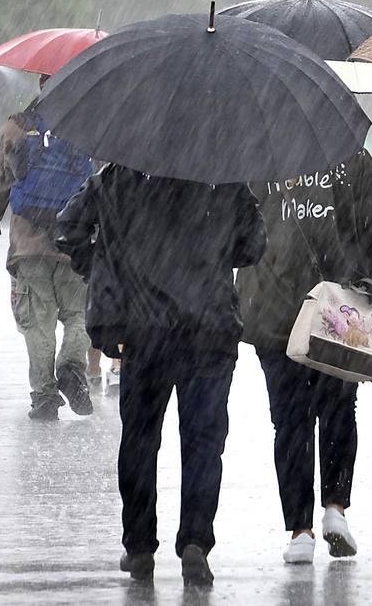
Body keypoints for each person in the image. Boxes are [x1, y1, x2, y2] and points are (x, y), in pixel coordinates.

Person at [57, 165, 266, 587]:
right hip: (208, 330)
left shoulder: (119, 174)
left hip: (143, 330)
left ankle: (138, 547)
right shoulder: (221, 176)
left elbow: (68, 229)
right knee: (204, 444)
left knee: (139, 440)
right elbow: (253, 245)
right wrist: (211, 250)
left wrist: (105, 266)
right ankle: (194, 543)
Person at [238, 150, 372, 565]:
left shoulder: (258, 157)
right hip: (338, 309)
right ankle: (335, 510)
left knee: (288, 419)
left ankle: (300, 531)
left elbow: (235, 232)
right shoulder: (350, 156)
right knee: (339, 407)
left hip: (273, 307)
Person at [0, 86, 97, 420]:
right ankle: (72, 366)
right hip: (75, 242)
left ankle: (44, 395)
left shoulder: (16, 127)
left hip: (28, 243)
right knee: (79, 313)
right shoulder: (90, 127)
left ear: (42, 83)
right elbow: (103, 185)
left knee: (37, 322)